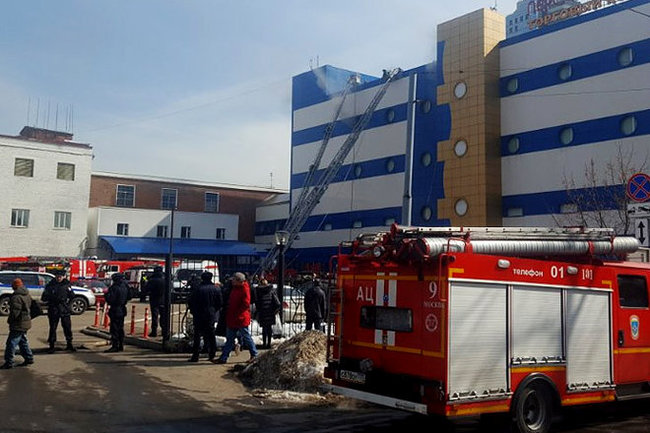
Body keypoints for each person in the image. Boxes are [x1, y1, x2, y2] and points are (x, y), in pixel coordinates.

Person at [213, 272, 258, 364]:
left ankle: (254, 354)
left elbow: (245, 304)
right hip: (234, 317)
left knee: (245, 336)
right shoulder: (237, 287)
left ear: (239, 281)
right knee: (230, 338)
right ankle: (223, 357)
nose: (232, 281)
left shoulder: (244, 289)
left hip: (240, 317)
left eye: (234, 280)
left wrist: (237, 312)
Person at [187, 272, 222, 362]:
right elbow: (220, 302)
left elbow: (191, 301)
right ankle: (212, 353)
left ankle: (195, 355)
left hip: (199, 314)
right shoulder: (216, 289)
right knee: (211, 334)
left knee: (197, 335)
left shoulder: (198, 289)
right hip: (210, 314)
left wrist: (193, 311)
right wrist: (214, 310)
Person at [1, 279, 34, 369]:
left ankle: (9, 362)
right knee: (23, 341)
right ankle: (29, 358)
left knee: (11, 343)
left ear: (15, 286)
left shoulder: (16, 297)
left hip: (18, 323)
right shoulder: (27, 294)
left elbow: (15, 312)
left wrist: (10, 321)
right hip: (26, 321)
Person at [41, 269, 76, 353]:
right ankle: (51, 345)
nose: (59, 278)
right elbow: (44, 297)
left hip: (64, 309)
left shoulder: (66, 285)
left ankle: (69, 344)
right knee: (53, 328)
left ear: (63, 277)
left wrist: (67, 303)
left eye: (60, 277)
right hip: (53, 309)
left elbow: (72, 296)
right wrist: (51, 298)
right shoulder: (50, 285)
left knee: (67, 327)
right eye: (57, 277)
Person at [105, 273, 130, 352]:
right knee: (120, 328)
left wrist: (106, 295)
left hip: (115, 309)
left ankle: (115, 345)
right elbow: (130, 296)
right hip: (122, 309)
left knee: (114, 328)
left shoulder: (114, 287)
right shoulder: (125, 286)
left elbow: (111, 299)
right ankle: (121, 345)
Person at [253, 278, 281, 349]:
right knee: (269, 328)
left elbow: (256, 302)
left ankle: (264, 343)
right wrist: (275, 310)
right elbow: (277, 303)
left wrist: (259, 309)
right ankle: (269, 343)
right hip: (270, 312)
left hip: (262, 312)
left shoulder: (258, 291)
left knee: (264, 329)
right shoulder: (271, 291)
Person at [144, 266, 165, 338]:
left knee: (154, 316)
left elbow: (146, 289)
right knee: (163, 316)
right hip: (163, 300)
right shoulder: (165, 279)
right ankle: (164, 331)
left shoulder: (152, 280)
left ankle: (154, 331)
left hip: (154, 300)